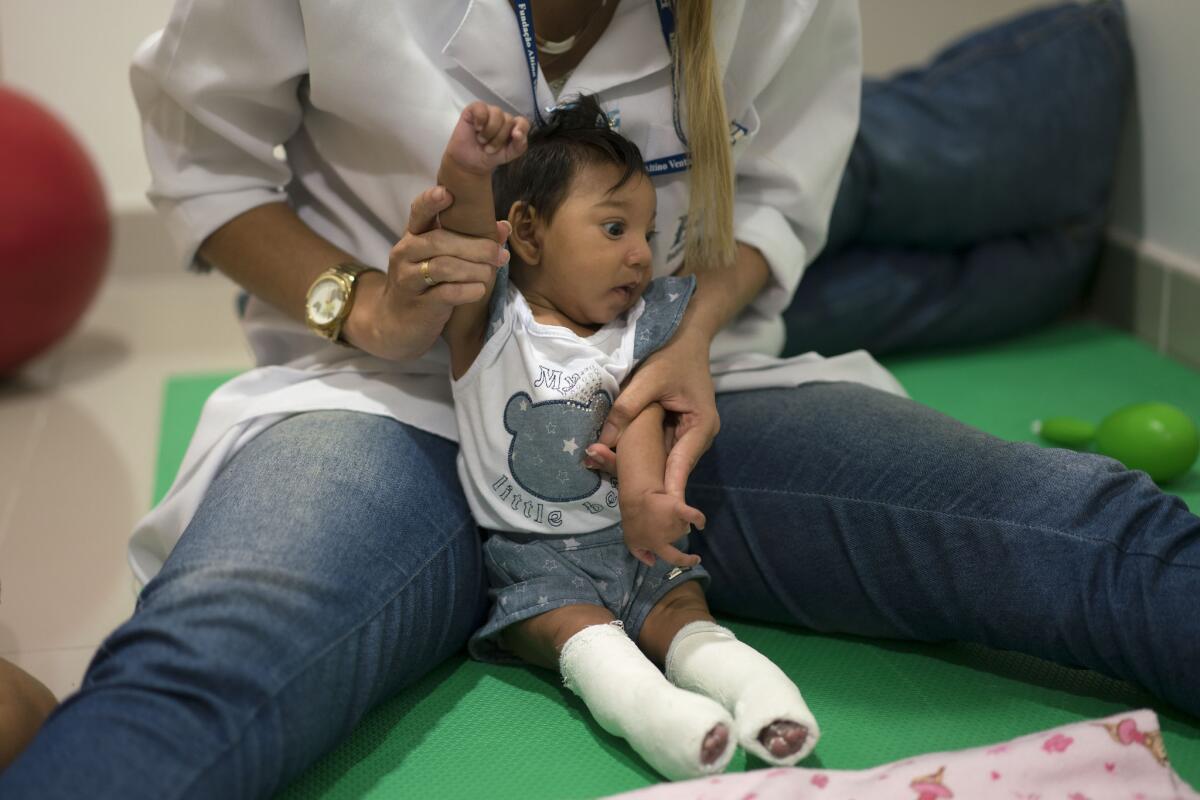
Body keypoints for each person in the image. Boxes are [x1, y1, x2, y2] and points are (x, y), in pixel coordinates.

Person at [1, 1, 1195, 798]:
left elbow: (775, 196)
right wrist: (360, 305)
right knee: (199, 670)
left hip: (674, 410)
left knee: (1085, 528)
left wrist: (691, 339)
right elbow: (205, 156)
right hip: (377, 405)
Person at [437, 95, 817, 779]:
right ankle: (658, 717)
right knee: (576, 634)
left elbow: (640, 413)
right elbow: (466, 235)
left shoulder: (639, 329)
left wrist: (647, 501)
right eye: (615, 229)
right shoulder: (491, 322)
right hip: (532, 558)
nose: (642, 256)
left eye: (647, 232)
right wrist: (468, 170)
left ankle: (758, 697)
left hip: (633, 544)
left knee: (684, 614)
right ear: (527, 232)